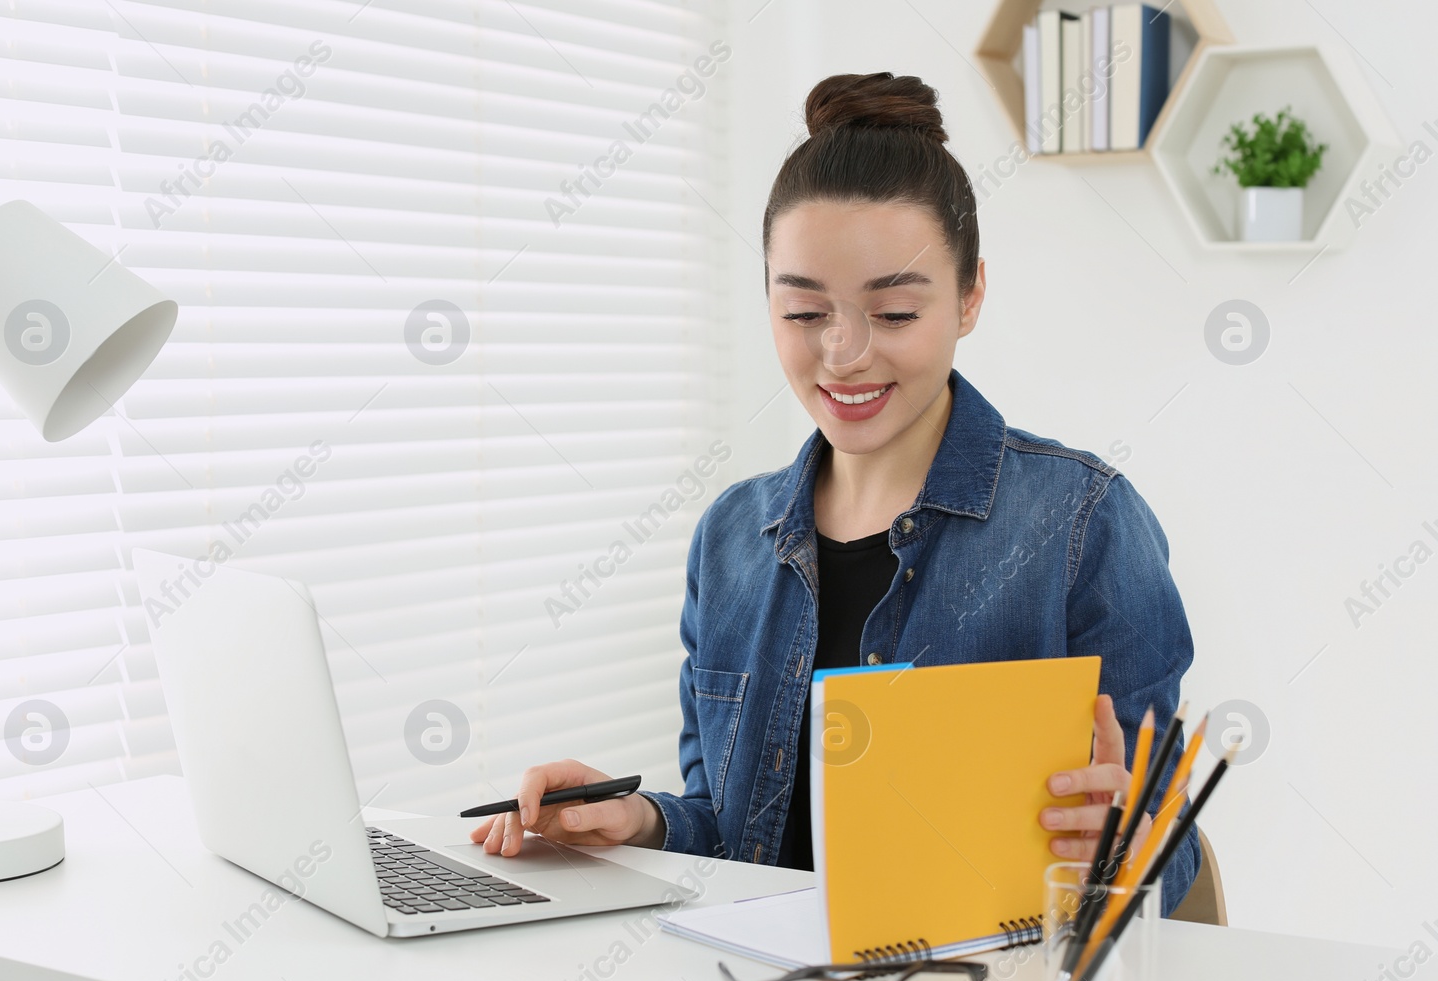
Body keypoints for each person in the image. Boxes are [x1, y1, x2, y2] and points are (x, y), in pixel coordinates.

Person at [469, 72, 1200, 915]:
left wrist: (1124, 843)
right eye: (805, 313)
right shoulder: (733, 538)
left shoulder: (1081, 523)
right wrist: (639, 819)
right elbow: (736, 834)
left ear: (969, 298)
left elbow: (1167, 864)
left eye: (893, 314)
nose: (844, 353)